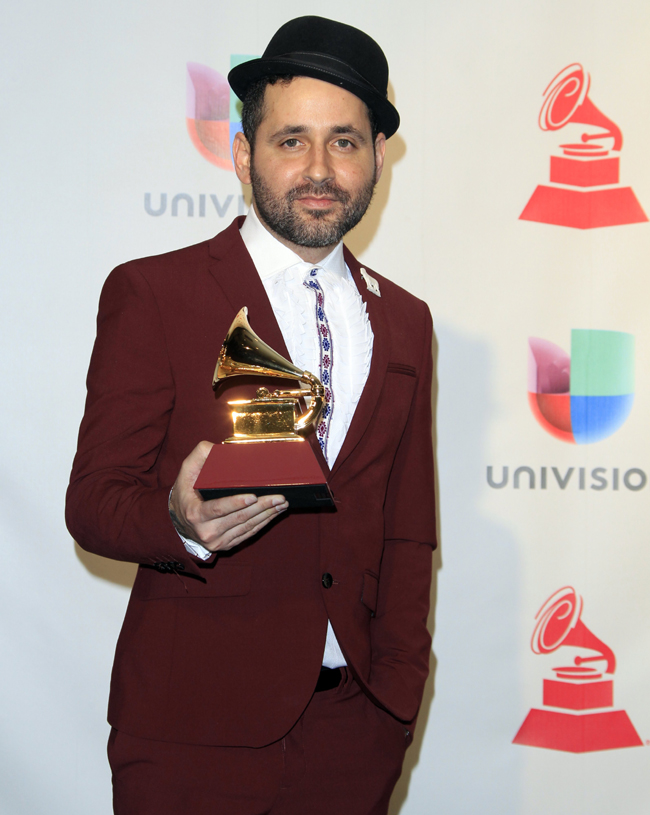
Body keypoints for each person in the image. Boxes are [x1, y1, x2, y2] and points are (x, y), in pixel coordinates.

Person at [66, 15, 436, 815]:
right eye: (290, 139)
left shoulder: (408, 322)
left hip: (353, 739)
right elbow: (93, 501)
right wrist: (181, 520)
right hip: (189, 736)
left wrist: (394, 700)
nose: (318, 168)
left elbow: (410, 529)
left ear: (378, 158)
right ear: (243, 153)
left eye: (344, 141)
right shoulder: (154, 292)